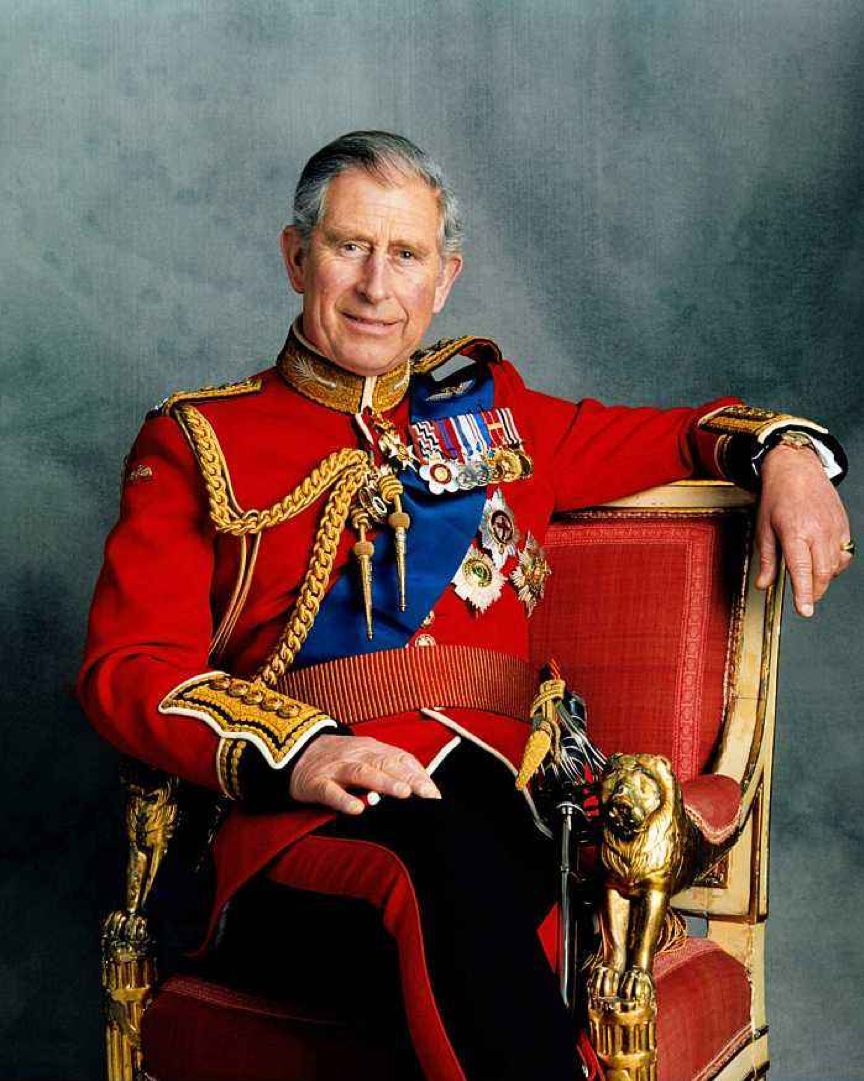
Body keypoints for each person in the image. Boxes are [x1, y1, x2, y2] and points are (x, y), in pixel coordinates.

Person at [79, 131, 852, 1081]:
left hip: (506, 816)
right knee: (442, 859)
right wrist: (301, 751)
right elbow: (128, 669)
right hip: (303, 833)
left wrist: (788, 455)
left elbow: (682, 437)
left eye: (405, 255)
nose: (377, 286)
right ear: (297, 257)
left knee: (476, 848)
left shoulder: (498, 415)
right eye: (350, 247)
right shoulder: (200, 440)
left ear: (444, 279)